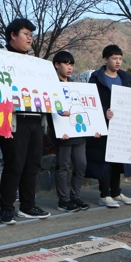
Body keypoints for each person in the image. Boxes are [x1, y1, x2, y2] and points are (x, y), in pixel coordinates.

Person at [0, 18, 51, 225]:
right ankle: (6, 208)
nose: (30, 39)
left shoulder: (36, 64)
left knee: (33, 165)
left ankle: (28, 205)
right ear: (12, 35)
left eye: (32, 35)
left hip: (35, 118)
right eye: (26, 34)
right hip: (14, 120)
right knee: (14, 164)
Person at [86, 44, 131, 208]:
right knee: (105, 161)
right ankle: (104, 195)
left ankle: (116, 192)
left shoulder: (125, 79)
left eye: (120, 58)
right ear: (105, 59)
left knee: (119, 159)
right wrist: (104, 111)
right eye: (114, 58)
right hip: (103, 127)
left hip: (121, 127)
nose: (118, 62)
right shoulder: (96, 79)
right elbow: (90, 101)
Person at [48, 51, 93, 212]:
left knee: (81, 165)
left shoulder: (76, 86)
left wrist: (94, 127)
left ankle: (75, 196)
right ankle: (63, 200)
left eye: (71, 64)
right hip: (63, 134)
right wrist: (59, 120)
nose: (69, 68)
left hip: (78, 133)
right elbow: (48, 109)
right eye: (66, 64)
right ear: (56, 65)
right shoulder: (51, 85)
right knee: (63, 166)